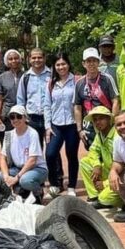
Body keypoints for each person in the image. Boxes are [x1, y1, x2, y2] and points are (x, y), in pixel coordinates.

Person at [43, 52, 79, 198]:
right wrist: (47, 126)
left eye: (63, 64)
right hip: (56, 125)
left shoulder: (76, 81)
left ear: (68, 64)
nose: (61, 67)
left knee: (71, 155)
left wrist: (80, 125)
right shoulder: (51, 83)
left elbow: (80, 103)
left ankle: (71, 186)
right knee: (50, 154)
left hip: (72, 124)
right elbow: (47, 105)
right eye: (58, 64)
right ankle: (54, 184)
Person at [0, 105, 48, 201]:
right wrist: (6, 177)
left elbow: (32, 161)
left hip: (37, 168)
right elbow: (3, 158)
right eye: (12, 117)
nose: (15, 119)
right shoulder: (9, 135)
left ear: (25, 118)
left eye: (19, 116)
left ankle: (38, 191)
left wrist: (16, 178)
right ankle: (21, 190)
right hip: (17, 168)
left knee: (25, 180)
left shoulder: (32, 134)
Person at [74, 47, 120, 149]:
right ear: (83, 64)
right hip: (89, 126)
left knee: (110, 152)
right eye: (88, 61)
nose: (91, 64)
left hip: (107, 124)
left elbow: (115, 101)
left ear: (99, 63)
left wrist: (113, 122)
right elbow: (77, 107)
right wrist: (79, 129)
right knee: (93, 154)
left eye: (94, 61)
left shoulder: (107, 79)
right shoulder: (79, 83)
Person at [79, 106, 122, 209]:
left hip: (121, 176)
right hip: (109, 171)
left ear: (109, 119)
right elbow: (93, 150)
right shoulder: (100, 135)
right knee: (85, 162)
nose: (98, 122)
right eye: (95, 120)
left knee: (105, 198)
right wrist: (97, 165)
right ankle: (95, 197)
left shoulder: (117, 137)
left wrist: (105, 184)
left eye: (101, 118)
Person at [17, 48, 51, 145]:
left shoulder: (52, 75)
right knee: (35, 150)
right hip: (32, 119)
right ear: (29, 59)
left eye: (39, 57)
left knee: (52, 152)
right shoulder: (25, 77)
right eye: (34, 58)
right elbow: (20, 99)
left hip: (49, 118)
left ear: (44, 58)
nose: (37, 60)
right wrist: (23, 118)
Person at [0, 49, 23, 135]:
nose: (13, 61)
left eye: (16, 58)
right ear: (7, 61)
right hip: (7, 115)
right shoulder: (2, 77)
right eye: (10, 59)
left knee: (23, 141)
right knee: (8, 142)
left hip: (23, 114)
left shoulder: (26, 75)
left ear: (20, 60)